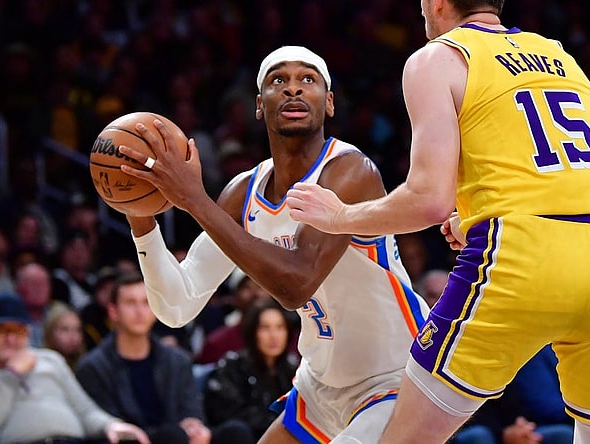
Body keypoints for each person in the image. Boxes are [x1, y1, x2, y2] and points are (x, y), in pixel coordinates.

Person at [286, 1, 590, 442]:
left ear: (437, 2)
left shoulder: (438, 57)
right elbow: (556, 173)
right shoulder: (561, 58)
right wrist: (476, 218)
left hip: (524, 256)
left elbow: (428, 200)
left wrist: (341, 215)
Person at [115, 45, 430, 443]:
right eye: (278, 80)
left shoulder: (351, 171)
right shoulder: (243, 192)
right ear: (260, 105)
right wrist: (141, 221)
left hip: (396, 376)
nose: (293, 90)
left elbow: (296, 283)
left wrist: (194, 200)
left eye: (308, 80)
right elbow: (177, 306)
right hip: (320, 382)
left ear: (329, 103)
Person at [75, 272, 253, 444]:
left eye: (146, 303)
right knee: (172, 436)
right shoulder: (93, 367)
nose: (139, 311)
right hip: (141, 439)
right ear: (113, 312)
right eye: (130, 303)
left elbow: (191, 409)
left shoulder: (177, 360)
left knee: (235, 432)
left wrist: (194, 426)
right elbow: (109, 426)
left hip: (179, 436)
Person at [0, 294, 150, 444]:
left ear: (28, 333)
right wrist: (11, 375)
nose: (11, 339)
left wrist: (111, 425)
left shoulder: (50, 359)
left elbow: (84, 409)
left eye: (18, 331)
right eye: (2, 331)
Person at [203, 300, 298, 441]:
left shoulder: (293, 367)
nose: (274, 336)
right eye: (265, 328)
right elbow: (225, 412)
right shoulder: (233, 364)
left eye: (280, 327)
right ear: (253, 331)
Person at [43, 302, 86, 370]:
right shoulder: (41, 367)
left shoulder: (87, 366)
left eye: (77, 330)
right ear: (50, 331)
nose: (73, 336)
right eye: (65, 329)